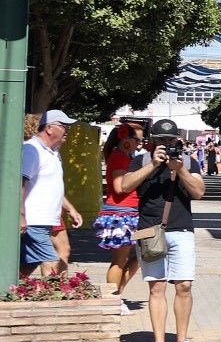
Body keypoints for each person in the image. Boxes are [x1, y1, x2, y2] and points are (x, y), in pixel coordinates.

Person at [121, 118, 206, 342]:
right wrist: (152, 166)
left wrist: (179, 170)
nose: (167, 144)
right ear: (152, 142)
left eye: (170, 140)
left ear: (178, 140)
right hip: (149, 231)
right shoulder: (141, 161)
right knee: (156, 287)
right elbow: (125, 186)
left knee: (184, 286)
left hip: (182, 230)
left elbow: (199, 192)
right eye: (161, 140)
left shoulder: (188, 162)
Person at [19, 110, 82, 280]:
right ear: (49, 128)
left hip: (45, 222)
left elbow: (52, 187)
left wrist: (71, 210)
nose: (67, 130)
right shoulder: (32, 150)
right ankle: (56, 300)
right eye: (63, 126)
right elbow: (20, 184)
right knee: (54, 263)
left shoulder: (53, 153)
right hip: (34, 222)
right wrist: (21, 216)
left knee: (25, 267)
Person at [96, 123, 144, 306]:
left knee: (139, 257)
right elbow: (119, 186)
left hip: (128, 212)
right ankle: (113, 299)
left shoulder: (123, 157)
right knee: (119, 260)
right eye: (136, 139)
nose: (139, 144)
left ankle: (116, 295)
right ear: (125, 140)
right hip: (121, 214)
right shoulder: (119, 158)